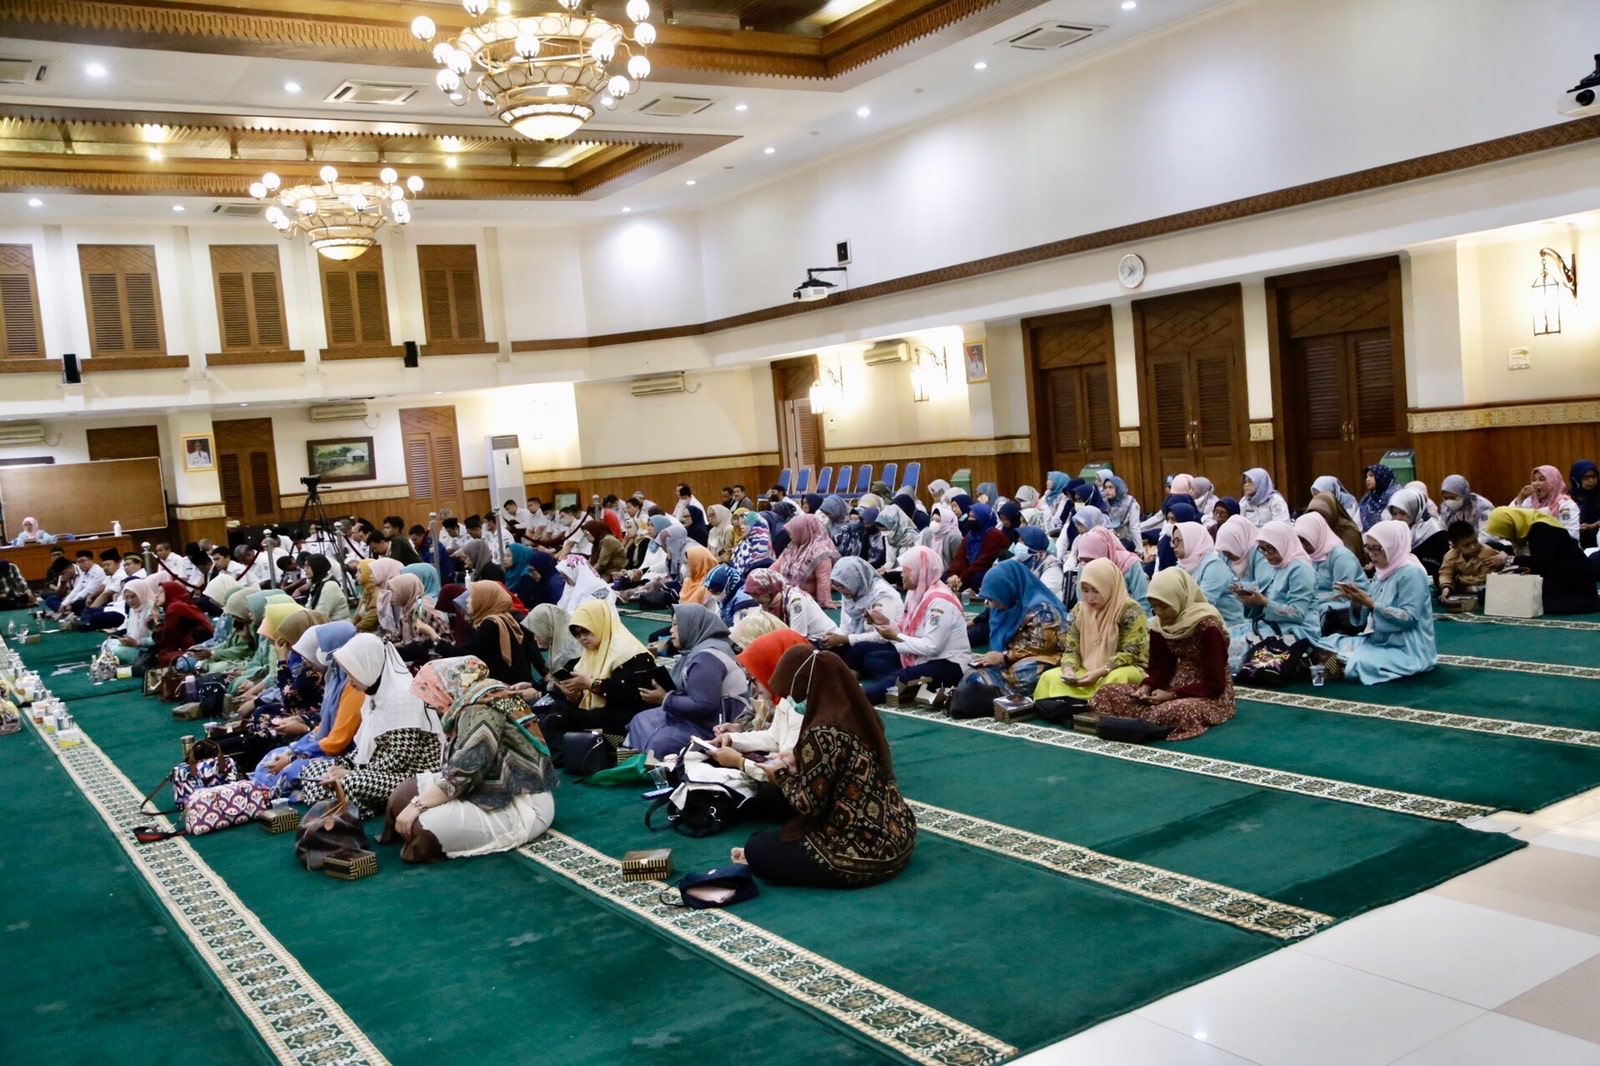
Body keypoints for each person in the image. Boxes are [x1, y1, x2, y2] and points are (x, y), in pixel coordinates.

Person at [730, 646, 916, 889]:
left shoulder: (821, 731)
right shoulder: (856, 712)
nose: (794, 702)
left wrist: (780, 774)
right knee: (769, 813)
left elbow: (808, 804)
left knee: (758, 847)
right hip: (900, 834)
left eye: (795, 695)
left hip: (864, 851)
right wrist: (798, 760)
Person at [381, 657, 557, 863]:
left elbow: (466, 770)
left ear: (445, 687)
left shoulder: (481, 708)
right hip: (486, 784)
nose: (433, 705)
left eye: (431, 695)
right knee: (402, 795)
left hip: (521, 803)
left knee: (423, 829)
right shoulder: (479, 695)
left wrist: (417, 805)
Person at [301, 633, 444, 817]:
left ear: (369, 665)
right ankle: (343, 803)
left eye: (352, 672)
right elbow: (365, 748)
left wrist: (352, 772)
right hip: (379, 771)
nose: (349, 679)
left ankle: (345, 805)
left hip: (413, 777)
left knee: (349, 782)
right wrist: (342, 765)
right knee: (315, 769)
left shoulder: (403, 697)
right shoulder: (375, 695)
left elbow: (401, 759)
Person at [1090, 567, 1234, 740]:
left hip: (1206, 693)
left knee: (1175, 710)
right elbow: (1160, 669)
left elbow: (1216, 683)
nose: (1159, 612)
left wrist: (1173, 695)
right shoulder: (1161, 626)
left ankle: (1145, 722)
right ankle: (1147, 723)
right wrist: (1146, 687)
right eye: (1154, 606)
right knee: (1107, 692)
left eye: (1164, 606)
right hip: (1168, 687)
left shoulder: (1208, 627)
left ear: (1179, 598)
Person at [1314, 520, 1438, 684]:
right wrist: (1357, 601)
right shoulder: (1382, 572)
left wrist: (1370, 603)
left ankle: (1338, 665)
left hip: (1407, 647)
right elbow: (1364, 619)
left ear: (1392, 546)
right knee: (1326, 642)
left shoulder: (1412, 574)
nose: (1372, 554)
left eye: (1378, 548)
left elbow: (1409, 618)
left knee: (1360, 662)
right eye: (1369, 548)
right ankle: (1335, 664)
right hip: (1377, 640)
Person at [627, 604, 748, 757]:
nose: (671, 631)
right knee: (640, 720)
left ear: (692, 625)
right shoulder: (700, 650)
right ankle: (639, 761)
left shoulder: (707, 657)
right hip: (699, 720)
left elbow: (704, 706)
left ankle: (654, 766)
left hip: (717, 728)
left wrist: (664, 699)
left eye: (676, 624)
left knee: (660, 742)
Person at [538, 599, 657, 745]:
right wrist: (574, 697)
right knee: (550, 717)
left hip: (627, 719)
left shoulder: (630, 653)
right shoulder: (589, 655)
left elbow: (632, 693)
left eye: (586, 631)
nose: (582, 638)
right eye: (577, 634)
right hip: (598, 713)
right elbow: (580, 696)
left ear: (599, 624)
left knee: (562, 722)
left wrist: (592, 684)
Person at [862, 546, 971, 704]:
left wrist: (895, 636)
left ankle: (862, 697)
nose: (902, 575)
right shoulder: (915, 593)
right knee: (873, 658)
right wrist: (885, 622)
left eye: (906, 571)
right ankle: (907, 686)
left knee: (903, 676)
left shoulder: (939, 601)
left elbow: (932, 647)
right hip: (921, 657)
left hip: (948, 663)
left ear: (920, 572)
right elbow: (907, 631)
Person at [1033, 558, 1149, 701]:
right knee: (1049, 677)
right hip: (1086, 669)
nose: (1090, 598)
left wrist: (1101, 671)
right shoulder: (1080, 610)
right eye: (1085, 590)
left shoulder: (1130, 610)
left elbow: (1131, 653)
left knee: (1117, 679)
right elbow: (1072, 649)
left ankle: (1093, 707)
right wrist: (1069, 670)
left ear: (1110, 587)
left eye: (1096, 591)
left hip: (1120, 668)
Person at [958, 559, 1068, 699]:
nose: (992, 605)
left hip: (1045, 656)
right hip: (1009, 657)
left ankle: (1000, 692)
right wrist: (1000, 657)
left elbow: (1041, 645)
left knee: (1023, 673)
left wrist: (1005, 657)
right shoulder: (1006, 606)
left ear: (1008, 589)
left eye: (993, 599)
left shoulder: (1042, 609)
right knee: (975, 672)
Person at [1484, 507, 1600, 615]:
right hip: (1559, 575)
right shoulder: (1529, 527)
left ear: (1510, 525)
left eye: (1503, 532)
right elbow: (1532, 552)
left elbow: (1540, 561)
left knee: (1524, 600)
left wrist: (1508, 559)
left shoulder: (1542, 529)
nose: (1503, 538)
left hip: (1572, 582)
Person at [1233, 520, 1319, 645]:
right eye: (1262, 549)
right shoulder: (1274, 566)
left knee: (1236, 645)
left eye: (1271, 548)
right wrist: (1250, 601)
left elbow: (1298, 613)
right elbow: (1267, 599)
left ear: (1283, 543)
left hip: (1297, 631)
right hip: (1271, 625)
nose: (1266, 554)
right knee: (1226, 635)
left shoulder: (1300, 570)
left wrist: (1264, 602)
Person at [820, 556, 903, 679]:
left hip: (890, 643)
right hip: (860, 640)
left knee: (859, 650)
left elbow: (882, 636)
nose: (841, 591)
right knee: (826, 649)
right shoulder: (851, 591)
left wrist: (845, 639)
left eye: (842, 586)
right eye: (837, 587)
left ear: (854, 580)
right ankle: (849, 670)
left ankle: (854, 672)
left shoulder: (882, 595)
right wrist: (833, 638)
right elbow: (845, 627)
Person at [1171, 521, 1245, 634]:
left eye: (1177, 541)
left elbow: (1202, 605)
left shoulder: (1214, 565)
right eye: (1172, 541)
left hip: (1227, 627)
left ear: (1192, 539)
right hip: (1197, 624)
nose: (1174, 546)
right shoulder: (1181, 567)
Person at [1294, 511, 1367, 622]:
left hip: (1352, 604)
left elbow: (1341, 594)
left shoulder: (1341, 557)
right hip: (1320, 600)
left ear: (1316, 535)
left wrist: (1310, 599)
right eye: (1298, 541)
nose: (1302, 546)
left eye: (1305, 540)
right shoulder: (1308, 556)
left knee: (1314, 611)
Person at [742, 568, 837, 642]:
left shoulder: (795, 600)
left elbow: (797, 637)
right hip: (805, 642)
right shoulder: (767, 605)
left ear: (769, 590)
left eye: (758, 595)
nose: (755, 600)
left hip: (824, 641)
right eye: (752, 596)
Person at [1073, 526, 1150, 611]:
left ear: (1104, 553)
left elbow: (1143, 601)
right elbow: (1082, 601)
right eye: (1083, 560)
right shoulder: (1083, 566)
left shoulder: (1129, 564)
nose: (1088, 565)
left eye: (1091, 560)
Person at [771, 512, 839, 608]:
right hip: (787, 596)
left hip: (807, 602)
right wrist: (761, 579)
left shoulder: (821, 551)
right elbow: (776, 566)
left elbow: (823, 579)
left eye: (793, 532)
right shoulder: (794, 547)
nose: (790, 536)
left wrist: (824, 602)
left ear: (803, 531)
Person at [1436, 520, 1508, 608]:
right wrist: (1446, 587)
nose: (1473, 547)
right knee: (1442, 590)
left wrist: (1460, 579)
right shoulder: (1450, 556)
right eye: (1467, 545)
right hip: (1465, 587)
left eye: (1475, 541)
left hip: (1486, 587)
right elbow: (1445, 573)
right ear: (1454, 546)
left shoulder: (1487, 553)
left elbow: (1485, 578)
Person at [1385, 488, 1449, 575]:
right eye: (1395, 514)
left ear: (1414, 509)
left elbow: (1438, 565)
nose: (1398, 518)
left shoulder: (1435, 531)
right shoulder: (1395, 531)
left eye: (1403, 513)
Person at [947, 502, 1009, 593]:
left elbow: (983, 563)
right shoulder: (970, 535)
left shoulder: (995, 536)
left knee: (976, 578)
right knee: (945, 577)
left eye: (973, 517)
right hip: (968, 572)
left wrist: (961, 577)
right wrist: (954, 574)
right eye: (969, 516)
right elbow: (960, 558)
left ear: (982, 518)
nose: (970, 519)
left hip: (985, 571)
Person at [1512, 465, 1581, 538]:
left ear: (1553, 482)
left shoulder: (1565, 504)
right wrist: (1520, 498)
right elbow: (1511, 519)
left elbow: (1572, 534)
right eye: (1534, 480)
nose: (1535, 484)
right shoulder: (1530, 500)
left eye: (1541, 479)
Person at [1307, 491, 1370, 568]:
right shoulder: (1313, 531)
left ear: (1331, 514)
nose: (1318, 519)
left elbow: (1347, 564)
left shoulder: (1347, 532)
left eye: (1322, 515)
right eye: (1314, 515)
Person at [1016, 526, 1065, 599]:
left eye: (1022, 542)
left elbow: (1042, 592)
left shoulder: (1052, 566)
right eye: (1018, 541)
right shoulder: (1020, 560)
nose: (1018, 545)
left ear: (1034, 544)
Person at [1569, 460, 1600, 549]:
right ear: (1576, 479)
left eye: (1594, 477)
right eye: (1586, 478)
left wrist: (1593, 526)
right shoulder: (1571, 495)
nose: (1591, 481)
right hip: (1577, 541)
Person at [1358, 463, 1399, 531]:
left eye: (1371, 476)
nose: (1367, 479)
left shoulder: (1395, 495)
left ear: (1381, 476)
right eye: (1366, 477)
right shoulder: (1368, 497)